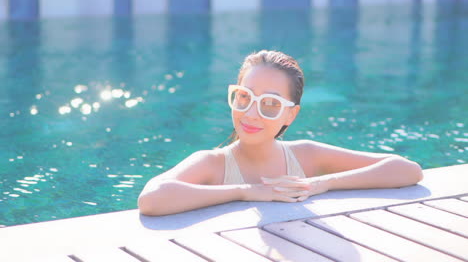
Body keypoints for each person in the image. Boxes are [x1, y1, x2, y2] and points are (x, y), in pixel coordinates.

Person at [138, 50, 423, 216]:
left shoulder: (307, 156)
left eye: (270, 104)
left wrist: (322, 183)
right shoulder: (214, 164)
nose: (251, 113)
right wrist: (247, 191)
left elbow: (406, 169)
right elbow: (151, 198)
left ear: (291, 114)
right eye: (244, 96)